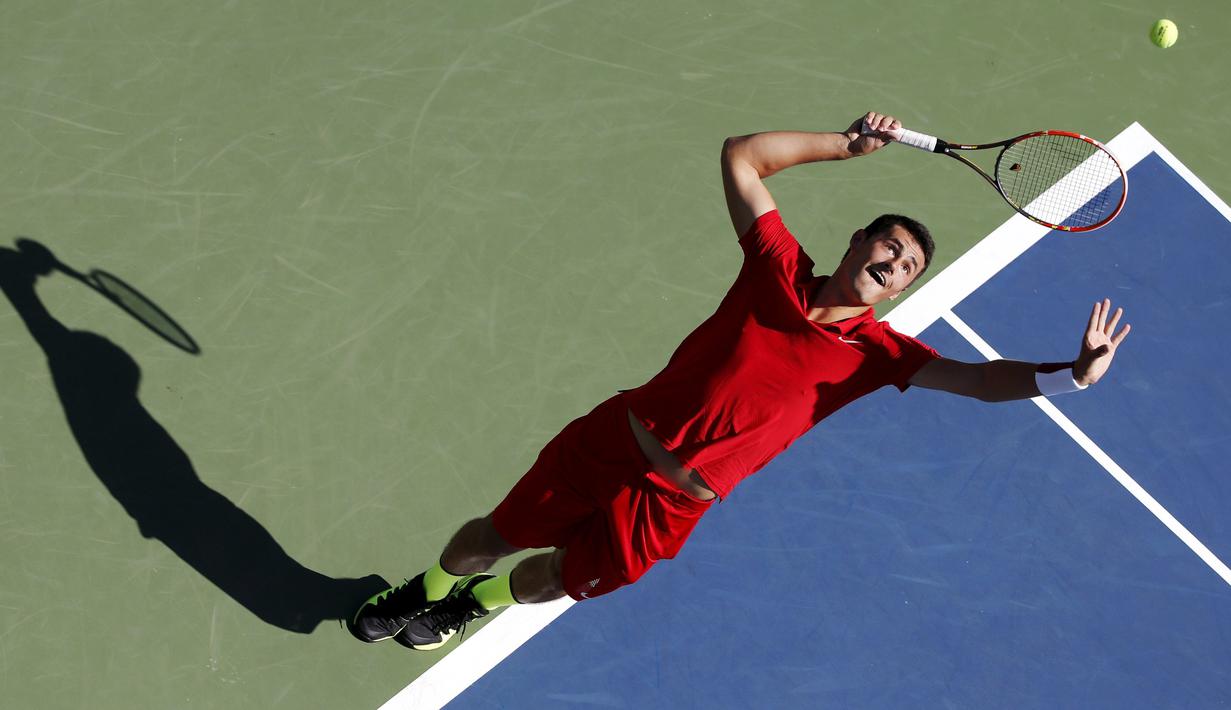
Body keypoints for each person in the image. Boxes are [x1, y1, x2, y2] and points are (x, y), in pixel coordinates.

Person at [348, 111, 1132, 651]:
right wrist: (843, 145)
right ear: (856, 241)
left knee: (552, 578)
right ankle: (421, 588)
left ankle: (466, 608)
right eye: (885, 247)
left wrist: (1073, 378)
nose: (889, 265)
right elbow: (741, 155)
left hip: (670, 507)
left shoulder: (879, 355)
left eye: (903, 269)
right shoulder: (775, 269)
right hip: (615, 442)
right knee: (497, 534)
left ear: (898, 291)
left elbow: (979, 383)